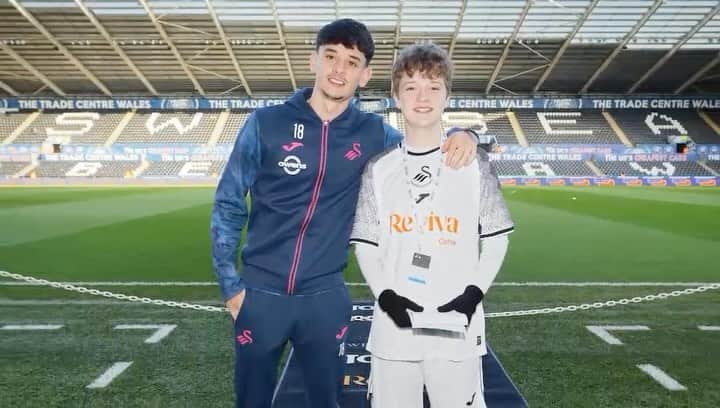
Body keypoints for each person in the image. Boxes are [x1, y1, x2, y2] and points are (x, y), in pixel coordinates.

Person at [210, 19, 478, 408]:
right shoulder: (265, 123)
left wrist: (464, 134)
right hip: (260, 294)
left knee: (327, 401)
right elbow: (229, 202)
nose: (339, 69)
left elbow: (425, 145)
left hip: (326, 296)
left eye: (352, 61)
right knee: (250, 402)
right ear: (313, 60)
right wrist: (230, 285)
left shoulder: (373, 133)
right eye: (331, 56)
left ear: (365, 75)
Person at [350, 42, 514, 407]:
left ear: (447, 95)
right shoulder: (378, 169)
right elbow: (366, 244)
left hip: (457, 330)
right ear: (395, 95)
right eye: (411, 87)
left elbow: (497, 239)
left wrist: (471, 298)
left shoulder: (476, 165)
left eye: (433, 87)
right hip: (394, 331)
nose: (422, 97)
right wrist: (387, 297)